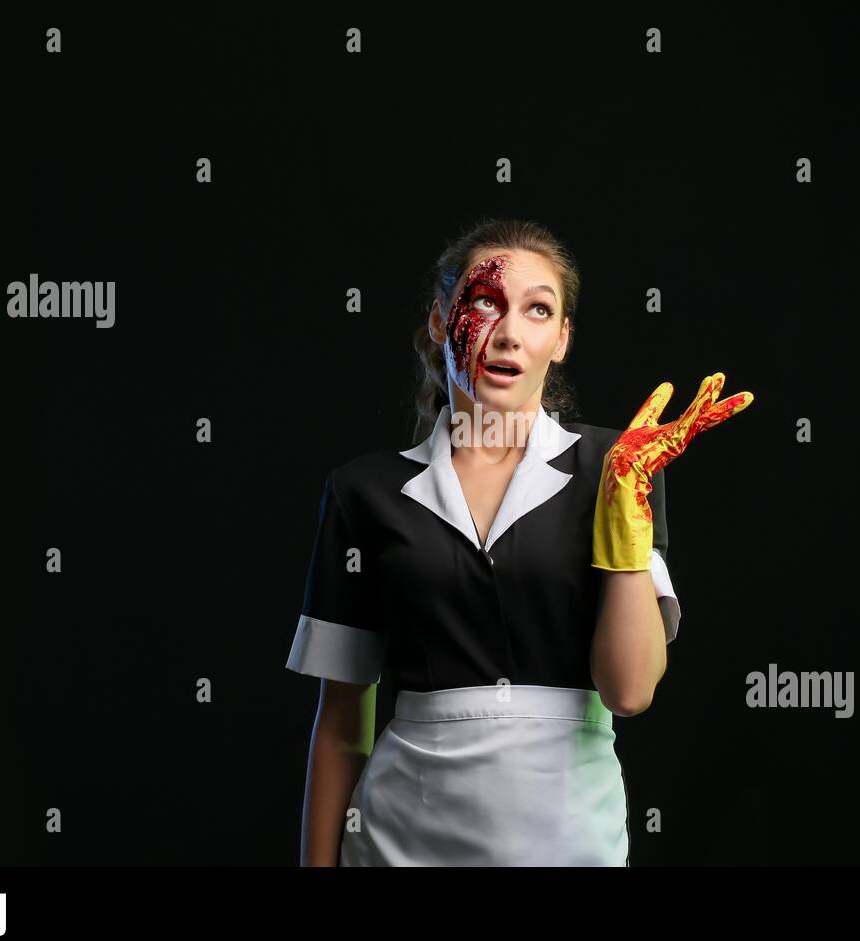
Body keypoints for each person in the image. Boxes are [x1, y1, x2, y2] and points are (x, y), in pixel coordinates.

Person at [287, 218, 754, 865]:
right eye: (484, 302)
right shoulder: (361, 492)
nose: (508, 333)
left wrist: (624, 516)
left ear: (561, 338)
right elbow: (342, 725)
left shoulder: (618, 466)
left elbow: (630, 691)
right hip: (399, 843)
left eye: (538, 309)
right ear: (437, 320)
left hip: (569, 844)